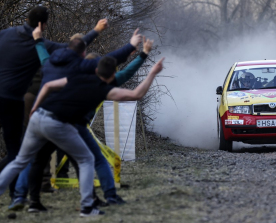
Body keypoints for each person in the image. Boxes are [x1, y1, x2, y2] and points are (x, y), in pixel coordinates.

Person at [0, 51, 165, 216]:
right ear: (112, 74)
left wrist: (36, 107)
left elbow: (48, 86)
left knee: (21, 161)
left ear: (95, 70)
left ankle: (22, 197)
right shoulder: (103, 90)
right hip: (59, 124)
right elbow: (136, 94)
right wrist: (152, 72)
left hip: (38, 117)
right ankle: (87, 207)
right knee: (87, 160)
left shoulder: (76, 76)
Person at [19, 23, 143, 212]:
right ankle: (102, 197)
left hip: (51, 120)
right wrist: (141, 54)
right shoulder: (98, 83)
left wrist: (38, 41)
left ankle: (25, 198)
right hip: (71, 125)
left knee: (35, 159)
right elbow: (125, 74)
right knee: (91, 160)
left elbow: (45, 61)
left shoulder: (65, 72)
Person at [0, 6, 107, 200]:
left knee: (25, 152)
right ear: (43, 25)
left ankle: (21, 192)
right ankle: (17, 194)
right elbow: (74, 49)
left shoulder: (5, 34)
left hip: (19, 99)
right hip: (16, 100)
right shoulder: (43, 47)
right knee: (19, 151)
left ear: (26, 18)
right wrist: (97, 30)